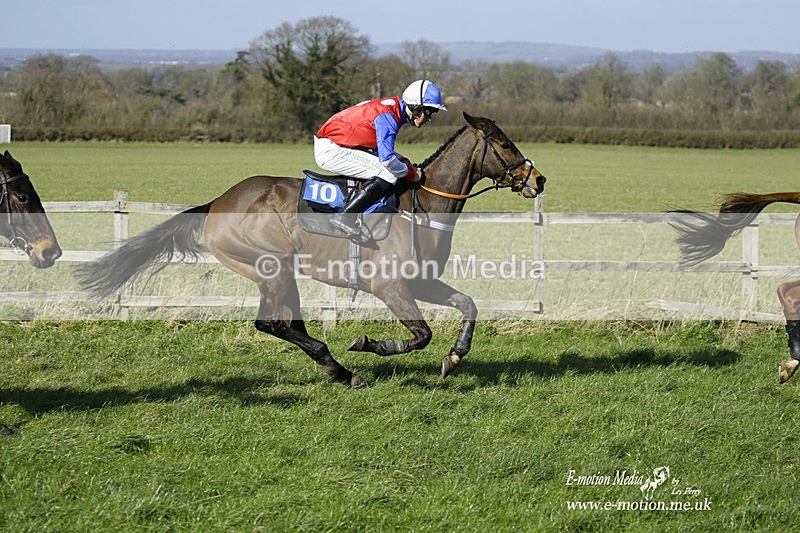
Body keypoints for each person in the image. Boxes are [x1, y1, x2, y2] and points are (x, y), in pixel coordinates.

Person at [314, 79, 446, 242]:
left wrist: (404, 161)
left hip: (339, 143)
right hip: (332, 149)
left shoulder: (393, 108)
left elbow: (381, 149)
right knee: (388, 172)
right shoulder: (389, 117)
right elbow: (387, 160)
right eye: (428, 112)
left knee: (399, 164)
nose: (430, 118)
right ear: (416, 107)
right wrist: (410, 173)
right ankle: (344, 217)